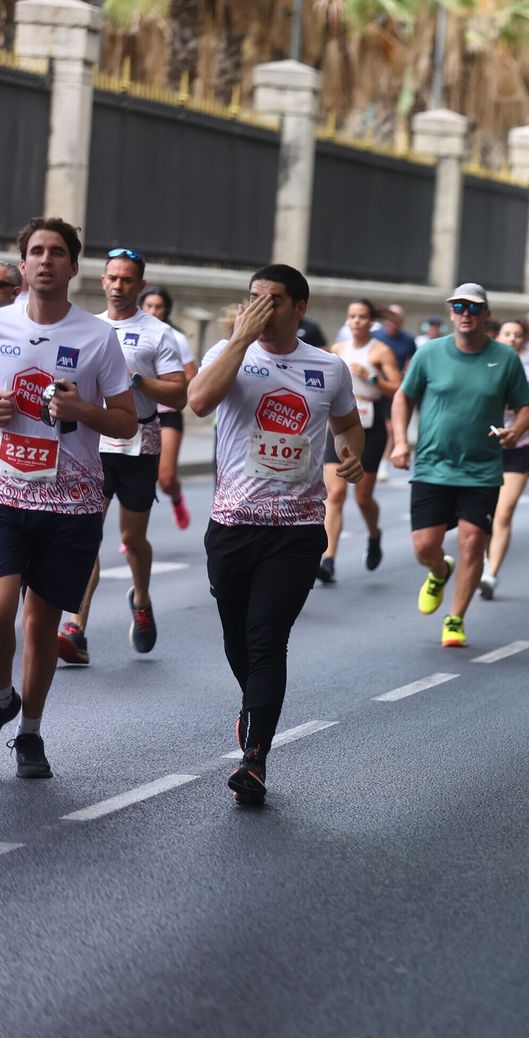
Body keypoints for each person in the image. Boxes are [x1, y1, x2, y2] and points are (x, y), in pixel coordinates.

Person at [189, 264, 362, 805]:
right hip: (233, 527)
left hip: (296, 530)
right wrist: (239, 341)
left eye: (275, 301)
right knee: (237, 638)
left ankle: (255, 758)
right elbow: (198, 401)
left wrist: (352, 457)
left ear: (300, 309)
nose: (263, 309)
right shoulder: (231, 354)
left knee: (267, 638)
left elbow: (348, 426)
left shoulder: (328, 368)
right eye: (254, 299)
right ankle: (254, 709)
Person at [0, 218, 139, 778]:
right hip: (6, 491)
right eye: (36, 251)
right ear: (23, 263)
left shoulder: (96, 337)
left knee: (39, 624)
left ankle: (30, 734)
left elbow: (128, 423)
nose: (45, 260)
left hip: (71, 502)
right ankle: (2, 697)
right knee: (2, 604)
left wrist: (83, 411)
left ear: (73, 267)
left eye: (57, 252)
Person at [54, 249, 188, 665]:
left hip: (138, 445)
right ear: (102, 281)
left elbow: (179, 394)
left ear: (140, 285)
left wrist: (136, 380)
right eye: (112, 278)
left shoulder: (158, 333)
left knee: (130, 540)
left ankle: (142, 598)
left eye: (127, 279)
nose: (118, 286)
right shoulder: (85, 328)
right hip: (91, 446)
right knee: (86, 537)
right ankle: (76, 629)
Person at [390, 284, 529, 648]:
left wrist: (515, 431)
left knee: (473, 543)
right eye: (459, 307)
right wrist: (399, 441)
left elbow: (526, 407)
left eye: (474, 308)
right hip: (432, 464)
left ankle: (455, 619)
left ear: (487, 314)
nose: (466, 313)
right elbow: (403, 397)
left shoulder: (505, 358)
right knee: (425, 546)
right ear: (451, 313)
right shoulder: (429, 354)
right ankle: (439, 571)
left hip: (482, 468)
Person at [317, 299, 401, 584]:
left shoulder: (380, 351)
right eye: (351, 316)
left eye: (362, 317)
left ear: (370, 322)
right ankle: (328, 559)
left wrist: (374, 378)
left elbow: (398, 387)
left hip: (370, 424)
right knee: (335, 494)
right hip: (339, 422)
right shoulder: (337, 351)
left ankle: (374, 534)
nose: (356, 322)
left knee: (363, 496)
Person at [478, 319, 529, 601]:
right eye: (508, 334)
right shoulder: (482, 367)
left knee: (504, 513)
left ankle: (491, 574)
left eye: (518, 335)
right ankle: (483, 561)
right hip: (485, 447)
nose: (512, 339)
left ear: (524, 341)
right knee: (484, 515)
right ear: (498, 337)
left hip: (518, 446)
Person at [139, 287, 198, 528]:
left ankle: (176, 498)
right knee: (138, 480)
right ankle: (132, 532)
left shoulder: (174, 337)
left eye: (158, 307)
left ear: (166, 310)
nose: (153, 311)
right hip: (138, 415)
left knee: (166, 477)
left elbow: (191, 376)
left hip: (167, 414)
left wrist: (161, 383)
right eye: (149, 306)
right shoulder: (131, 332)